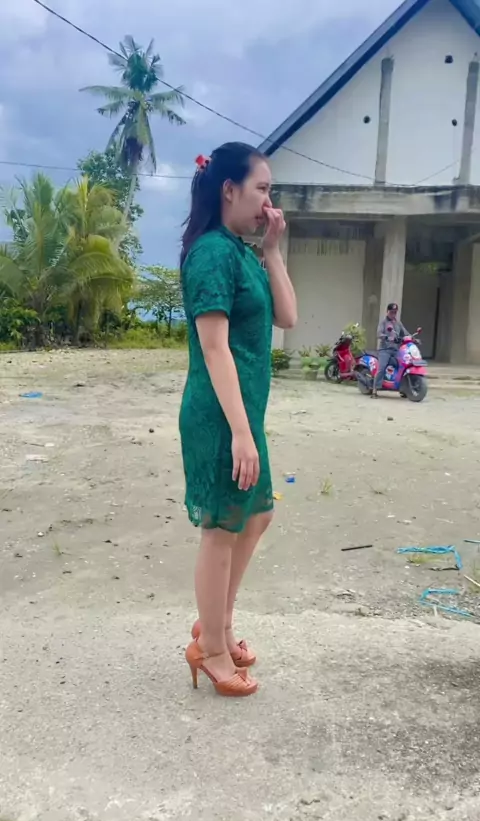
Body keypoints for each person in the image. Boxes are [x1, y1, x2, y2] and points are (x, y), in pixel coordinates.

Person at [179, 142, 297, 697]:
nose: (269, 202)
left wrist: (273, 250)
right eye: (262, 189)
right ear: (229, 190)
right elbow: (214, 347)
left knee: (257, 516)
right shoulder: (211, 253)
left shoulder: (244, 253)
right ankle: (211, 649)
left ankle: (217, 626)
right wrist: (242, 433)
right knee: (222, 528)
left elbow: (288, 317)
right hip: (221, 416)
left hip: (243, 414)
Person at [372, 302, 410, 397]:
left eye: (395, 312)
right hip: (385, 350)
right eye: (391, 312)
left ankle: (403, 388)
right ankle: (375, 389)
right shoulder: (383, 323)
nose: (393, 314)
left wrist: (412, 338)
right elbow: (379, 334)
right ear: (387, 311)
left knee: (404, 366)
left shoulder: (398, 323)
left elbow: (405, 333)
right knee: (382, 367)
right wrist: (387, 337)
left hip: (396, 350)